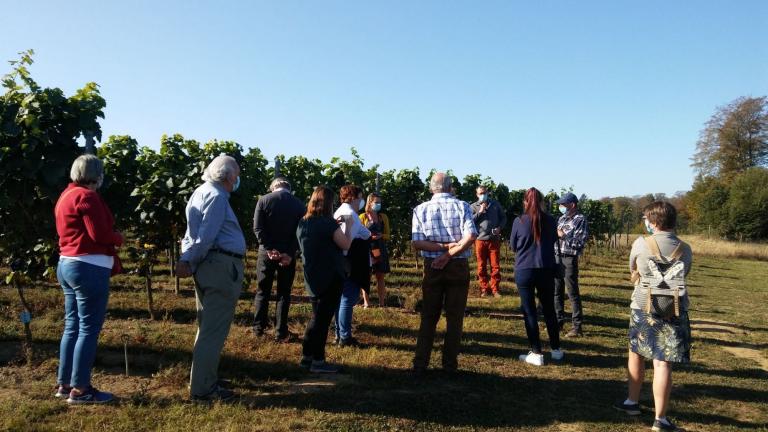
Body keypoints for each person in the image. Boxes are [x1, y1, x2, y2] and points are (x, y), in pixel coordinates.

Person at [614, 201, 692, 432]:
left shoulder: (641, 243)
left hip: (642, 307)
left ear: (655, 221)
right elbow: (684, 272)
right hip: (673, 309)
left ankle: (632, 402)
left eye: (647, 219)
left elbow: (632, 267)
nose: (645, 223)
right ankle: (660, 418)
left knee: (636, 353)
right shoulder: (685, 248)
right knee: (663, 362)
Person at [176, 155, 246, 402]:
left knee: (206, 327)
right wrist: (189, 260)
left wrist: (188, 258)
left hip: (208, 266)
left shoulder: (200, 193)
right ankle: (204, 389)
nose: (237, 180)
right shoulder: (217, 197)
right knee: (213, 330)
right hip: (220, 266)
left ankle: (204, 377)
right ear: (227, 176)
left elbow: (190, 234)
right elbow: (205, 237)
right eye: (236, 176)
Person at [54, 154, 123, 404]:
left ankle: (64, 383)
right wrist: (118, 237)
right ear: (97, 175)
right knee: (88, 329)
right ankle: (81, 389)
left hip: (67, 263)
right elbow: (99, 234)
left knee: (72, 325)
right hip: (88, 267)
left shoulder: (66, 195)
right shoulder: (88, 196)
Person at [411, 172, 477, 374]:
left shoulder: (420, 209)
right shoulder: (462, 206)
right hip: (457, 266)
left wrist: (440, 251)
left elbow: (417, 242)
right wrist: (449, 254)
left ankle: (420, 363)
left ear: (432, 188)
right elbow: (471, 235)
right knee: (455, 317)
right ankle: (449, 365)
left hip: (432, 266)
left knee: (429, 316)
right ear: (450, 187)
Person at [297, 186, 355, 373]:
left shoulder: (303, 222)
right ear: (329, 203)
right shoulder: (329, 225)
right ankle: (318, 361)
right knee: (321, 320)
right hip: (330, 276)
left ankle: (307, 357)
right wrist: (349, 227)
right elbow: (345, 244)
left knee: (317, 315)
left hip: (312, 275)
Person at [509, 187, 563, 366]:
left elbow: (513, 246)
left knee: (529, 312)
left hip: (524, 269)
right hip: (546, 268)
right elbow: (554, 241)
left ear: (525, 202)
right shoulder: (551, 221)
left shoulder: (519, 221)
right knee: (549, 310)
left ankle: (536, 351)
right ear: (542, 202)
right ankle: (556, 349)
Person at [252, 177, 306, 342]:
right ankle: (280, 331)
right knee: (284, 293)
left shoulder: (264, 200)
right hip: (287, 255)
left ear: (273, 187)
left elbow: (258, 228)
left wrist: (268, 248)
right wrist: (290, 253)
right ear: (288, 188)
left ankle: (258, 329)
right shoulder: (299, 204)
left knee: (263, 291)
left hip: (266, 253)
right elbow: (301, 232)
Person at [333, 185, 371, 347]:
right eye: (361, 197)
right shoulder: (350, 214)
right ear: (354, 198)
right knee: (347, 300)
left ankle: (339, 334)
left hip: (341, 262)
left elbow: (364, 233)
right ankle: (345, 337)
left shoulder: (341, 212)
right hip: (349, 263)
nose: (362, 201)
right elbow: (345, 242)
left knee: (340, 299)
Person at [554, 192, 589, 337]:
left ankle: (577, 326)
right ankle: (558, 322)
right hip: (556, 257)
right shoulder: (561, 219)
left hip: (569, 258)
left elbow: (580, 242)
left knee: (572, 292)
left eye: (563, 204)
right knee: (557, 291)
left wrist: (564, 236)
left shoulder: (580, 220)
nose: (560, 207)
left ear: (572, 205)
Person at [471, 185, 507, 298]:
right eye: (480, 193)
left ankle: (495, 289)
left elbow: (503, 218)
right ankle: (484, 289)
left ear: (487, 193)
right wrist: (480, 212)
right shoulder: (473, 206)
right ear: (477, 195)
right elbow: (470, 221)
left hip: (494, 239)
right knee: (481, 266)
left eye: (484, 193)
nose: (483, 195)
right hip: (479, 240)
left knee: (495, 266)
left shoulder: (495, 204)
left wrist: (499, 228)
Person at [359, 193, 391, 307]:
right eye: (376, 202)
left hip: (380, 249)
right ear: (369, 203)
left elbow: (388, 235)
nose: (378, 204)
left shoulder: (383, 217)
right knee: (365, 276)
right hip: (367, 249)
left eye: (379, 202)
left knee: (380, 276)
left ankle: (381, 303)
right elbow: (358, 234)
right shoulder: (362, 217)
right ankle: (366, 303)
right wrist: (369, 237)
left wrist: (381, 235)